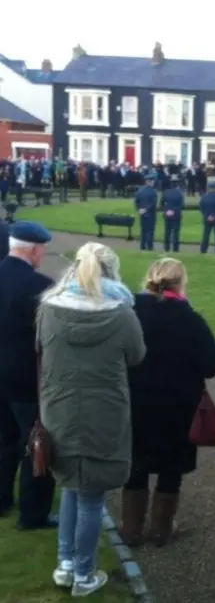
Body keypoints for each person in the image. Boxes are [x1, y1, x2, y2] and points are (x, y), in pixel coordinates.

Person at [38, 242, 146, 597]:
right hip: (104, 410)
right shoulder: (122, 313)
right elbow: (136, 355)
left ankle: (66, 563)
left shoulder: (48, 309)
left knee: (71, 485)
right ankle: (82, 573)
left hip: (60, 407)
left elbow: (40, 348)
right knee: (90, 496)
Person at [121, 258, 215, 548]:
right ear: (180, 283)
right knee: (171, 467)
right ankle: (161, 529)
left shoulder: (131, 312)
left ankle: (131, 528)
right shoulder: (190, 319)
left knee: (136, 463)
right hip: (177, 405)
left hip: (135, 400)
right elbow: (211, 364)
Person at [0, 222, 56, 530]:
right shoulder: (40, 286)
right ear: (34, 250)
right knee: (36, 442)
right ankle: (33, 514)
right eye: (42, 249)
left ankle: (2, 499)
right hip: (25, 377)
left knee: (4, 440)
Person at [161, 175, 185, 253]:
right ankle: (175, 249)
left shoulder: (165, 192)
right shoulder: (180, 193)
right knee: (176, 232)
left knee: (167, 232)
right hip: (176, 215)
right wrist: (174, 211)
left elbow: (161, 204)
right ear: (177, 183)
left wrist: (167, 211)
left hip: (167, 215)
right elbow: (182, 205)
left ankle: (166, 248)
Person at [199, 180, 215, 254]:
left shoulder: (204, 197)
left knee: (206, 236)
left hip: (207, 219)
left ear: (208, 187)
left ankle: (203, 251)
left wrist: (207, 216)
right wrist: (213, 216)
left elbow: (201, 208)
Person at [134, 173, 158, 251]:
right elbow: (153, 203)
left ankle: (142, 246)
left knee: (143, 230)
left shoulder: (140, 191)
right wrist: (146, 209)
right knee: (150, 231)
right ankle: (149, 247)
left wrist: (139, 209)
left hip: (142, 214)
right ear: (150, 182)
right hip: (150, 214)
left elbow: (136, 201)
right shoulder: (153, 192)